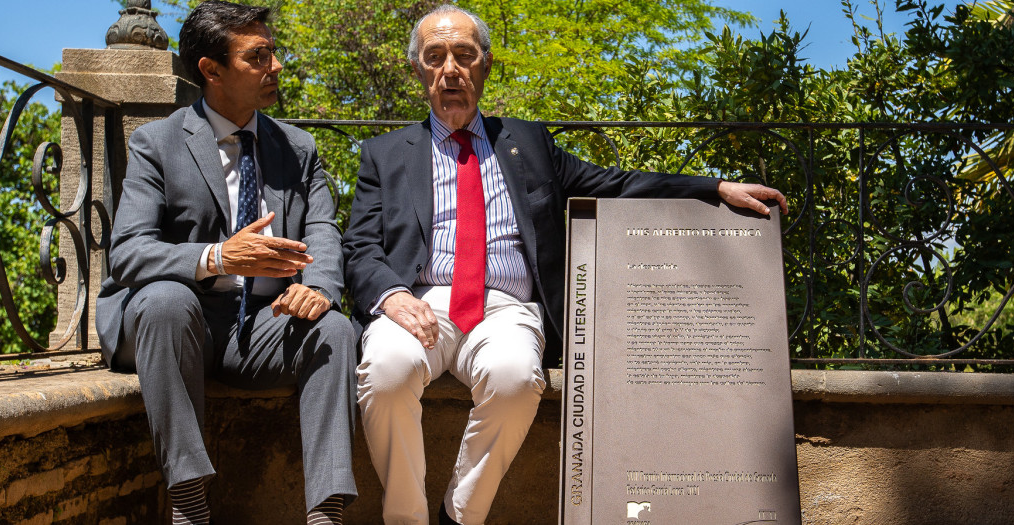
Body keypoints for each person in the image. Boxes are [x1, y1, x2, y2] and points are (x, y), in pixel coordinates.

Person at [341, 5, 788, 524]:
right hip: (418, 302)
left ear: (486, 65)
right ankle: (406, 518)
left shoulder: (527, 142)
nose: (451, 69)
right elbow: (360, 246)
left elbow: (615, 184)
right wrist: (393, 296)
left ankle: (459, 516)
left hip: (507, 308)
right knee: (387, 371)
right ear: (418, 70)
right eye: (435, 56)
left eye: (465, 55)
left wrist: (714, 188)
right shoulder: (385, 154)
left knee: (514, 378)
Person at [95, 1, 357, 523]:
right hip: (171, 324)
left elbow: (324, 232)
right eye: (257, 57)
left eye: (273, 53)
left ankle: (326, 513)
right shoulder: (157, 142)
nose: (276, 67)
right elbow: (127, 252)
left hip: (260, 326)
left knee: (335, 330)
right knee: (167, 300)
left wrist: (322, 288)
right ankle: (189, 503)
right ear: (211, 70)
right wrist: (217, 257)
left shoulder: (298, 149)